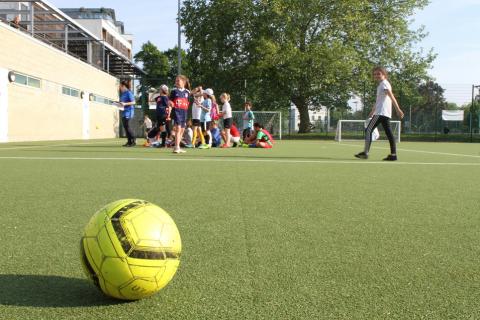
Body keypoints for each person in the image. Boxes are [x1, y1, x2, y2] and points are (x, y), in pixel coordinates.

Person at [355, 67, 404, 161]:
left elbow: (391, 96)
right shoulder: (381, 85)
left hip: (381, 112)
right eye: (375, 74)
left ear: (384, 74)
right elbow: (379, 101)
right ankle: (393, 155)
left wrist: (398, 109)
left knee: (368, 130)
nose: (376, 75)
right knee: (389, 133)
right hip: (383, 113)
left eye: (378, 74)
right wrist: (372, 111)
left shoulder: (384, 84)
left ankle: (365, 153)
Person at [170, 75, 191, 153]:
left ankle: (178, 146)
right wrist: (171, 103)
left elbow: (187, 102)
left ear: (184, 82)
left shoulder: (187, 92)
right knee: (178, 128)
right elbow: (170, 100)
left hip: (184, 112)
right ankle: (176, 147)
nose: (176, 82)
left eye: (178, 81)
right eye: (176, 81)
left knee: (182, 129)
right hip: (177, 111)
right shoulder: (174, 91)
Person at [119, 80, 136, 147]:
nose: (120, 88)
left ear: (123, 86)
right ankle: (129, 142)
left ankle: (133, 140)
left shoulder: (129, 93)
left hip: (129, 112)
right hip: (123, 112)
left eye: (120, 86)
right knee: (126, 128)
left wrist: (125, 103)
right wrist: (119, 104)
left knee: (127, 126)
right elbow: (122, 103)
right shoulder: (123, 94)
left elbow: (133, 102)